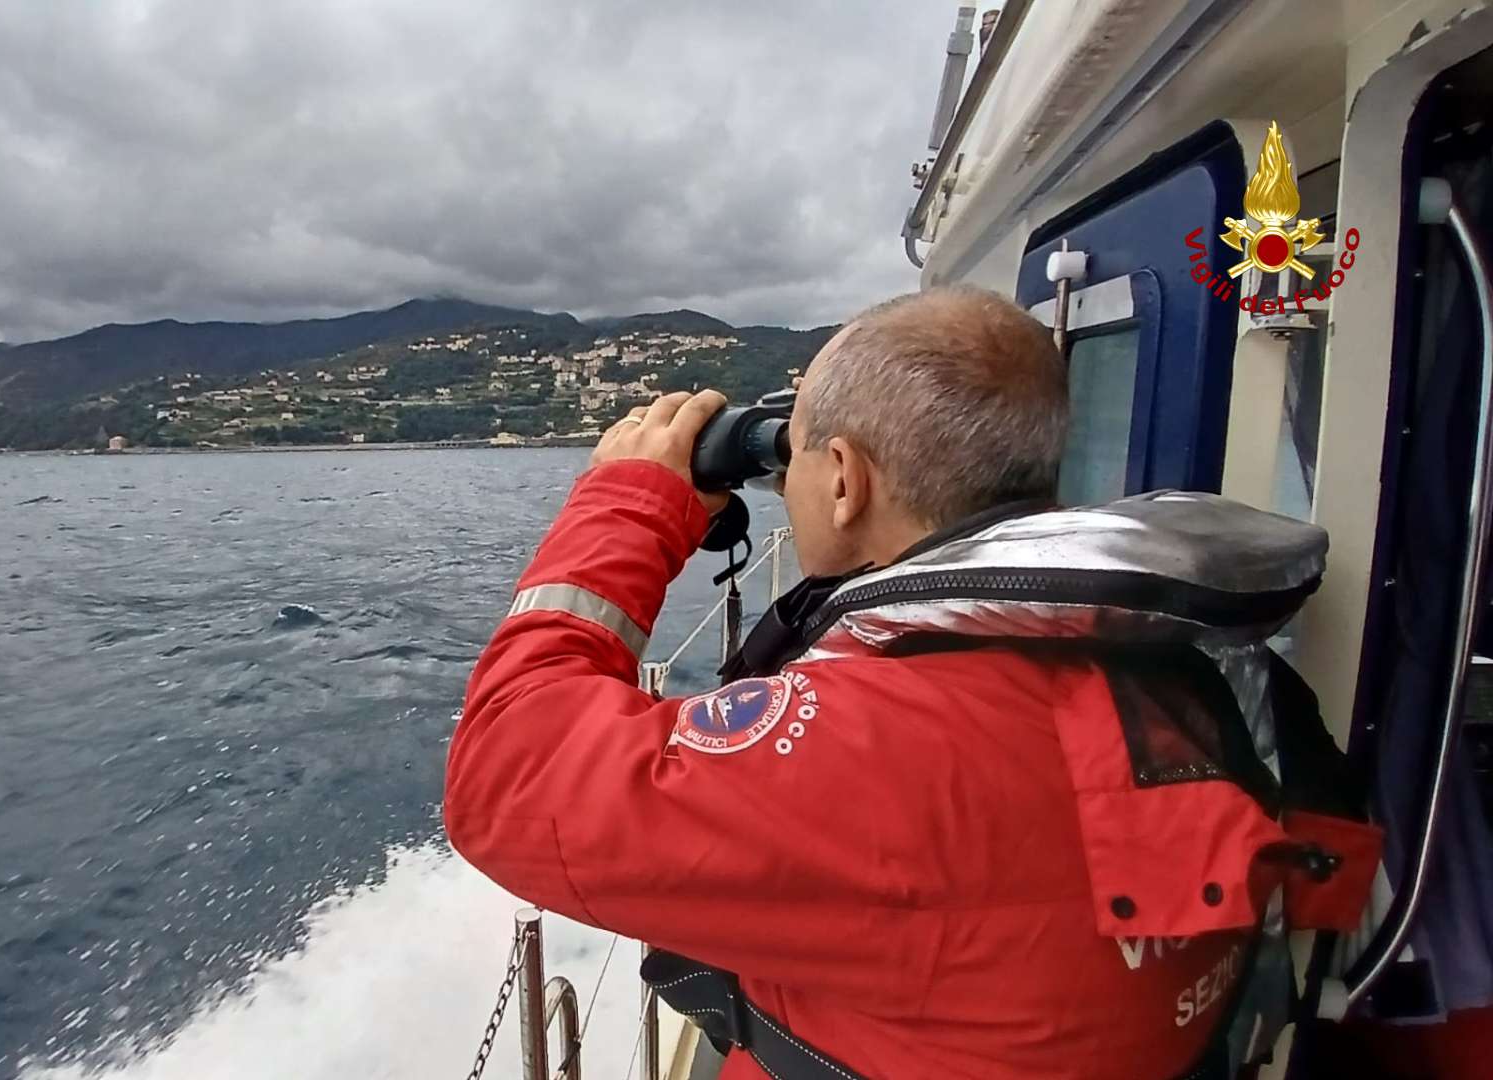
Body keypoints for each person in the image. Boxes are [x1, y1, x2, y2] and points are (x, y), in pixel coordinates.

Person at [443, 286, 1378, 1080]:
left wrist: (630, 501)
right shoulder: (1182, 662)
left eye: (798, 455)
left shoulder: (881, 743)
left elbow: (507, 778)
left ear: (844, 481)